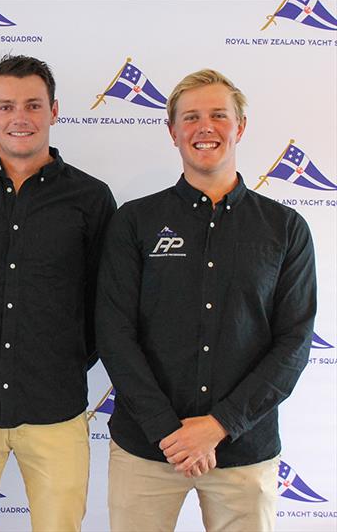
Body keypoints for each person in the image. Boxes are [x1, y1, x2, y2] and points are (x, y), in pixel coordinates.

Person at [96, 69, 317, 532]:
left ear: (240, 126)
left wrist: (218, 426)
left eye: (219, 114)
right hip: (148, 448)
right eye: (191, 117)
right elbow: (114, 333)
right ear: (172, 130)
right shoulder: (135, 222)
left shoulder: (285, 228)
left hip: (244, 451)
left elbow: (294, 343)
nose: (205, 127)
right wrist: (168, 431)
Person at [0, 55, 116, 532]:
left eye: (33, 105)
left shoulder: (91, 198)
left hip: (55, 410)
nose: (20, 118)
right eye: (6, 106)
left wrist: (65, 357)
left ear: (54, 110)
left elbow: (103, 302)